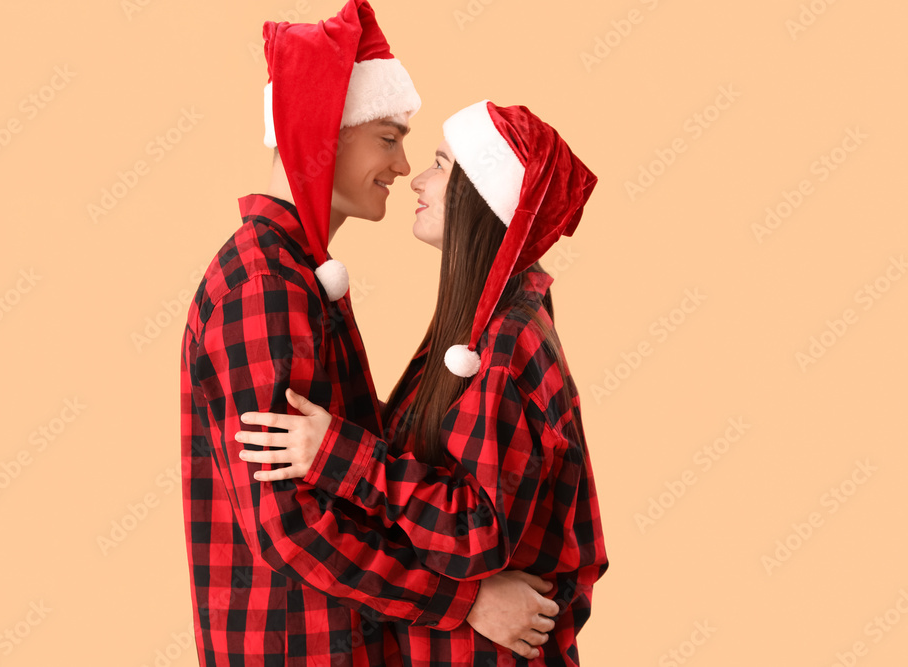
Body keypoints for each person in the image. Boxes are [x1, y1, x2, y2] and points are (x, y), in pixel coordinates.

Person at [181, 2, 560, 665]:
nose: (402, 164)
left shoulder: (301, 277)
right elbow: (288, 526)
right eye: (389, 137)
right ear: (326, 131)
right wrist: (465, 600)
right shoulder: (262, 288)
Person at [235, 100, 609, 665]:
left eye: (441, 164)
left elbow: (476, 531)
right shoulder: (474, 326)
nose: (418, 177)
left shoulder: (506, 345)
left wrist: (336, 452)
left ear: (484, 195)